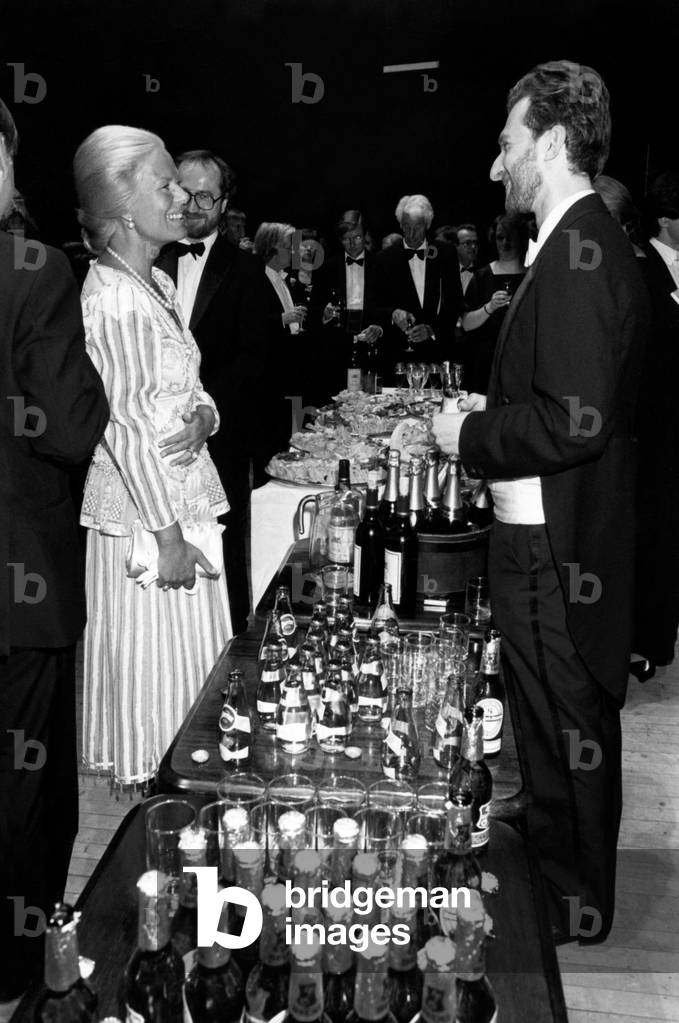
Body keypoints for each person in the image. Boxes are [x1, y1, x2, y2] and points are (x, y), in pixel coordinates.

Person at [432, 60, 650, 945]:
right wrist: (494, 411)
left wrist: (469, 438)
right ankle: (549, 831)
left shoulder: (581, 249)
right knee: (541, 710)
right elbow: (563, 397)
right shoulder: (571, 239)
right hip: (539, 532)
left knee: (567, 713)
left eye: (507, 143)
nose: (496, 166)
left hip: (558, 545)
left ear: (552, 141)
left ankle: (575, 897)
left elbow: (574, 420)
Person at [74, 126, 232, 789]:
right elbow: (126, 425)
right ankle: (163, 816)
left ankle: (186, 791)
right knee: (158, 677)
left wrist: (204, 413)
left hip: (182, 503)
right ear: (119, 201)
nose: (181, 196)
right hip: (151, 520)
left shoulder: (155, 284)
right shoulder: (111, 298)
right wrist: (166, 538)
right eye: (164, 183)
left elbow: (187, 387)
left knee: (191, 669)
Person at [0, 97, 109, 1004]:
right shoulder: (33, 269)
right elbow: (71, 428)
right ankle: (17, 962)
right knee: (26, 788)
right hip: (20, 582)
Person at [156, 148, 271, 635]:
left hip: (220, 444)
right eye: (186, 191)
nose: (195, 204)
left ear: (224, 205)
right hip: (152, 444)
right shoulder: (147, 258)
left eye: (207, 195)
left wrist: (208, 411)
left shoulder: (247, 274)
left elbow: (256, 360)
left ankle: (230, 653)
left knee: (223, 561)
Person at [629, 171, 679, 681]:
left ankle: (661, 634)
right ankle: (646, 642)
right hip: (652, 427)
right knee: (653, 535)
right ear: (666, 221)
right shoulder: (639, 268)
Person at [373, 194, 463, 369]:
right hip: (397, 356)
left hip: (437, 353)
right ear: (400, 224)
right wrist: (393, 313)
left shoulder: (445, 253)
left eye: (418, 227)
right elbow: (374, 305)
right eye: (406, 227)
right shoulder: (384, 258)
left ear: (428, 224)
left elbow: (455, 301)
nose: (412, 234)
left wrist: (432, 329)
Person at [308, 209, 383, 399]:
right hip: (335, 352)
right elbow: (313, 309)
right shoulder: (326, 268)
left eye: (357, 237)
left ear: (365, 235)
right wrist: (324, 314)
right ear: (340, 240)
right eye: (346, 239)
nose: (352, 244)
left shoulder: (381, 266)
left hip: (371, 351)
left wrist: (379, 328)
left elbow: (388, 306)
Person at [253, 221, 309, 449]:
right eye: (289, 246)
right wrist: (283, 319)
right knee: (269, 441)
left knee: (288, 437)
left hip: (288, 371)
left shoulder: (283, 278)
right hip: (269, 376)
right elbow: (249, 323)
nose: (294, 251)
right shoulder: (256, 278)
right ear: (271, 248)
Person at [460, 213, 528, 393]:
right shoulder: (481, 276)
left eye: (510, 237)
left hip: (522, 360)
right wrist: (489, 307)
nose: (505, 243)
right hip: (486, 362)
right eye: (500, 237)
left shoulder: (532, 275)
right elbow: (466, 324)